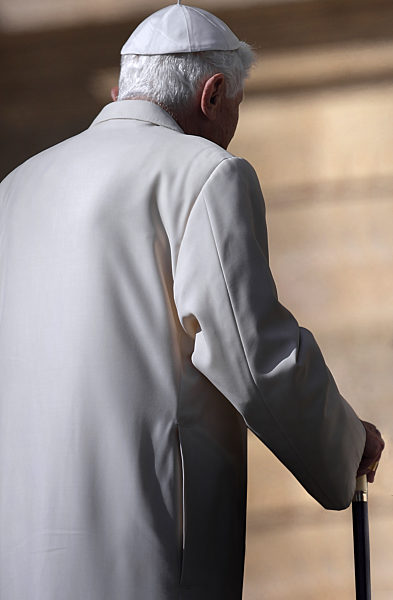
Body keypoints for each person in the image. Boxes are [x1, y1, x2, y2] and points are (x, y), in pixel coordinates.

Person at [0, 2, 384, 599]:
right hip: (144, 560)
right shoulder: (205, 173)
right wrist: (345, 448)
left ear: (118, 91)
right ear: (213, 94)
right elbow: (256, 359)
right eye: (235, 108)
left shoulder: (15, 188)